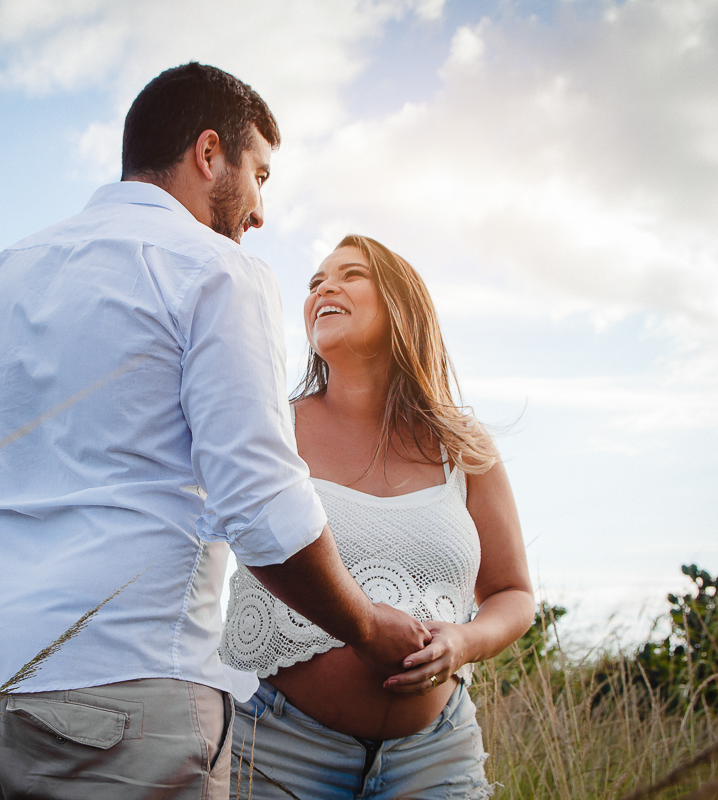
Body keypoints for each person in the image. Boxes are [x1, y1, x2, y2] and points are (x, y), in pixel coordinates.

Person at [0, 64, 431, 800]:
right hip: (120, 693)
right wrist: (367, 627)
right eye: (260, 175)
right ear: (210, 154)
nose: (261, 212)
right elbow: (258, 501)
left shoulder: (2, 271)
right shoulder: (216, 270)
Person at [217, 235, 535, 798]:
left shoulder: (462, 445)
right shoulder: (275, 430)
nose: (324, 288)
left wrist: (463, 642)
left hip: (436, 755)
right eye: (315, 281)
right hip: (279, 751)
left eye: (350, 274)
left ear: (400, 306)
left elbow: (512, 593)